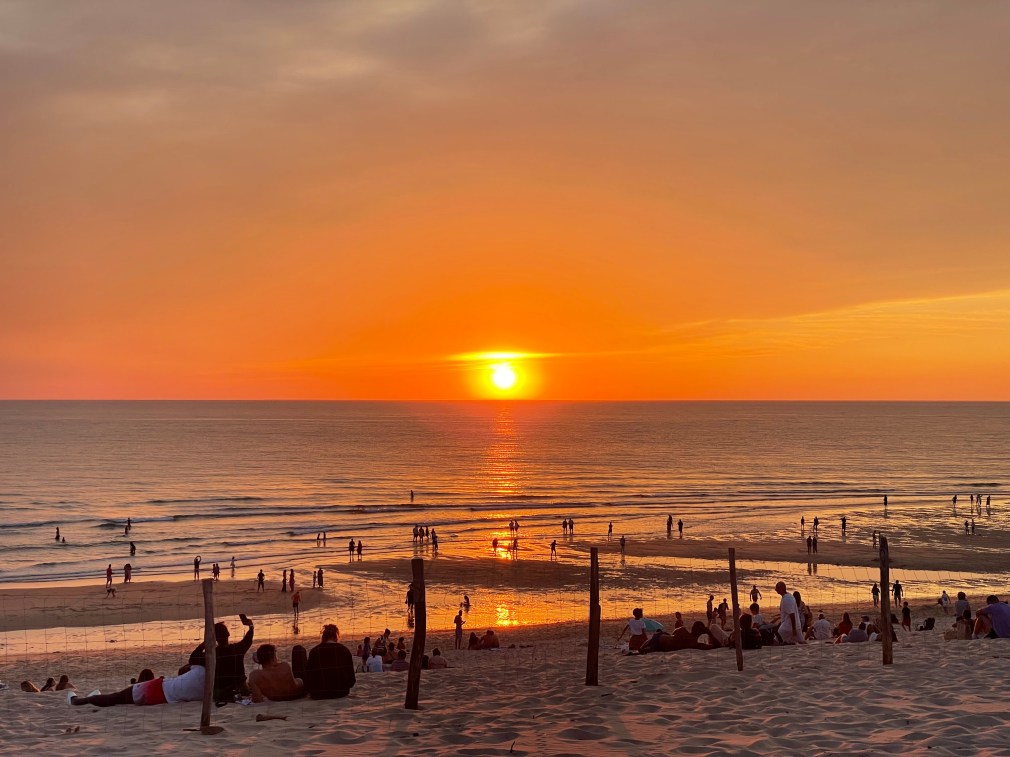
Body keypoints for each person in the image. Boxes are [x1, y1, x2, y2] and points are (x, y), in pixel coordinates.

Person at [69, 647, 206, 708]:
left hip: (157, 689)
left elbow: (183, 669)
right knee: (147, 674)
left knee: (114, 698)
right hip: (160, 693)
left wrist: (202, 647)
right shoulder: (211, 686)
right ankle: (138, 683)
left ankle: (80, 701)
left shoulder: (199, 669)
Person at [195, 615, 254, 701]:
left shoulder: (212, 654)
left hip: (220, 691)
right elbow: (248, 640)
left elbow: (193, 658)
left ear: (215, 638)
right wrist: (251, 626)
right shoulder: (237, 649)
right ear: (228, 634)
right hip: (241, 689)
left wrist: (205, 643)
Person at [301, 624, 356, 699]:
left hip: (318, 693)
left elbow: (309, 677)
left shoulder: (315, 651)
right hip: (341, 692)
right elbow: (351, 680)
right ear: (336, 636)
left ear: (323, 637)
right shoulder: (344, 650)